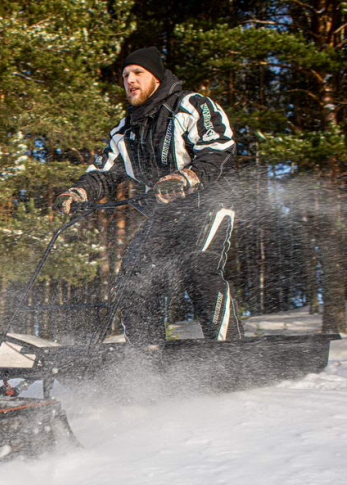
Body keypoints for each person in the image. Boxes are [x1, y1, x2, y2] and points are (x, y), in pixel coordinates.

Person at [57, 46, 241, 346]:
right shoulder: (125, 130)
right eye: (125, 76)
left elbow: (218, 147)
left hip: (207, 204)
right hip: (165, 214)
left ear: (156, 76)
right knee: (135, 276)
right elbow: (104, 171)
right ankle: (146, 355)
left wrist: (187, 177)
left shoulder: (191, 105)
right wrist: (78, 192)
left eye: (137, 73)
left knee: (199, 268)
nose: (130, 80)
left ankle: (229, 350)